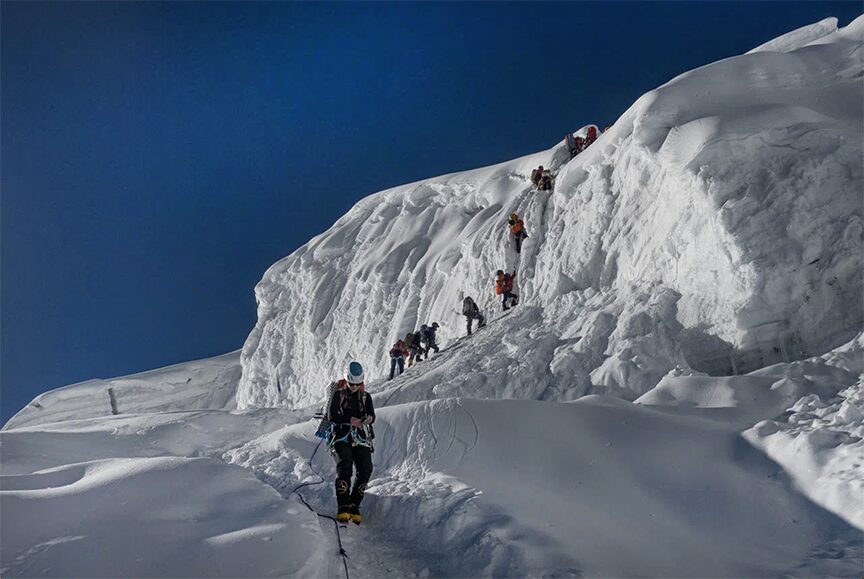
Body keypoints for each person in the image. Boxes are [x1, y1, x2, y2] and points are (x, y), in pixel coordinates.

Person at [327, 361, 375, 524]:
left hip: (360, 437)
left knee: (366, 469)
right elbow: (332, 416)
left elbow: (372, 414)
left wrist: (369, 418)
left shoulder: (365, 397)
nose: (355, 387)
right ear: (346, 380)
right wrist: (349, 420)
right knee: (345, 468)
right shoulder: (338, 395)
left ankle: (354, 504)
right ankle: (343, 506)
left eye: (357, 384)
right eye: (352, 384)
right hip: (341, 436)